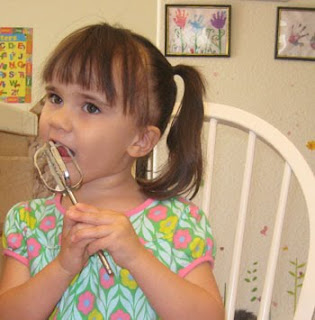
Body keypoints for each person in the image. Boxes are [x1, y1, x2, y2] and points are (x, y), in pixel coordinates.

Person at [0, 23, 224, 320]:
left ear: (140, 140)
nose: (58, 120)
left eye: (91, 107)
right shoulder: (28, 221)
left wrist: (136, 257)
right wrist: (63, 267)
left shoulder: (179, 222)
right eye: (55, 97)